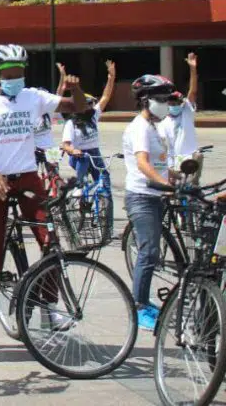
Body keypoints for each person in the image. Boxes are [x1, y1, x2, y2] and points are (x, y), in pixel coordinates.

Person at [0, 44, 87, 353]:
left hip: (28, 178)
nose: (15, 77)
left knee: (50, 241)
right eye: (9, 73)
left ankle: (48, 307)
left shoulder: (34, 97)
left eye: (19, 72)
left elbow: (77, 108)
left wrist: (78, 89)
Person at [124, 74, 178, 331]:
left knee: (154, 251)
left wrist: (175, 176)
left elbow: (159, 162)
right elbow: (143, 163)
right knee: (149, 253)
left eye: (167, 99)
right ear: (145, 100)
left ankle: (145, 302)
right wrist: (164, 183)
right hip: (142, 197)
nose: (165, 104)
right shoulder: (139, 128)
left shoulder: (155, 127)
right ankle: (140, 307)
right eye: (160, 99)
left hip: (156, 195)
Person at [60, 60, 116, 183]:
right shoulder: (71, 123)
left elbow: (105, 97)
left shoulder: (93, 116)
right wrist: (73, 150)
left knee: (104, 179)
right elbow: (65, 145)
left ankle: (106, 200)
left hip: (95, 153)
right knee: (83, 181)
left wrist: (111, 77)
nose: (91, 106)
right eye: (88, 104)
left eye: (92, 104)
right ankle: (79, 189)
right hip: (79, 156)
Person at [163, 53, 201, 183]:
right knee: (172, 192)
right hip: (172, 161)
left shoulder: (186, 111)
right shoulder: (164, 121)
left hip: (189, 158)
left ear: (182, 103)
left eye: (176, 103)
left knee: (191, 188)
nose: (174, 105)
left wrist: (192, 68)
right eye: (171, 103)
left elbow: (193, 92)